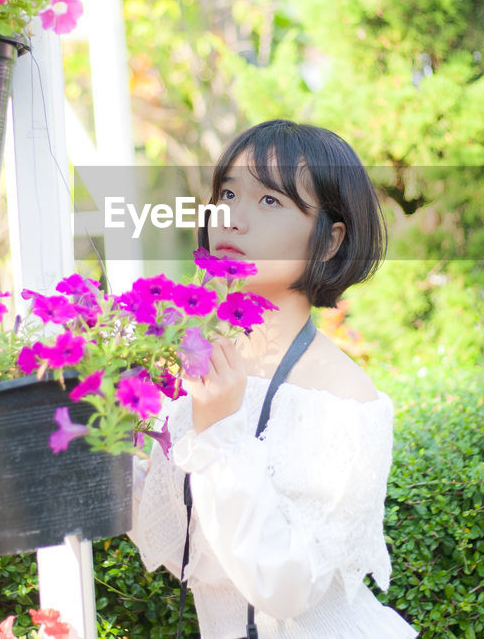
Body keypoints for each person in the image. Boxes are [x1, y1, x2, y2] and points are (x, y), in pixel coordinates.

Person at [128, 120, 416, 638]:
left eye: (269, 202)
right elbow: (181, 545)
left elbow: (285, 590)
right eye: (228, 193)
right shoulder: (206, 365)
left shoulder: (343, 401)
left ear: (330, 240)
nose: (232, 218)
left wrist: (217, 433)